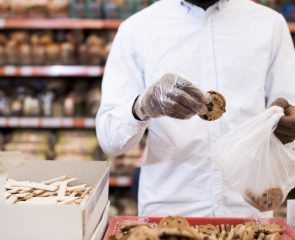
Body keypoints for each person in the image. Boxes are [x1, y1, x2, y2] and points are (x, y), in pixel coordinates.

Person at [96, 0, 295, 217]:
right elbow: (109, 141)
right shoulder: (138, 29)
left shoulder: (269, 24)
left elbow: (290, 109)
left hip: (248, 211)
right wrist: (141, 106)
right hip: (169, 212)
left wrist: (285, 131)